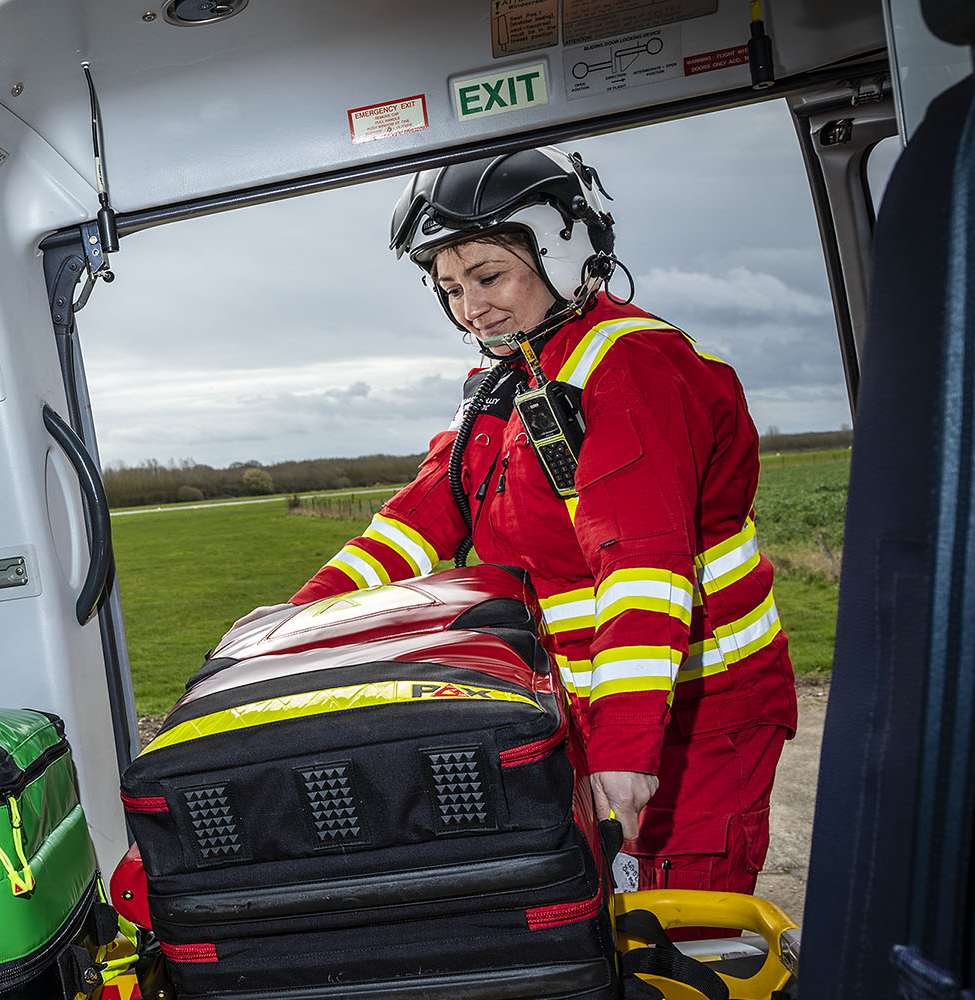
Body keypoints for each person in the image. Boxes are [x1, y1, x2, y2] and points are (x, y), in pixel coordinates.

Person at [245, 147, 796, 896]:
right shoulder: (509, 379)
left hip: (694, 710)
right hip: (584, 701)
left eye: (488, 276)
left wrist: (626, 745)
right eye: (448, 289)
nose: (470, 310)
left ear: (562, 254)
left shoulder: (631, 368)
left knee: (679, 927)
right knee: (592, 919)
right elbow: (413, 525)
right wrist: (287, 634)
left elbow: (642, 565)